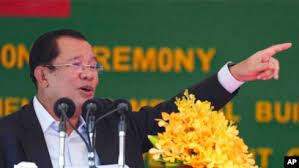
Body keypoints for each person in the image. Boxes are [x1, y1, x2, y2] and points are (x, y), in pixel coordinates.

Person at [0, 29, 291, 168]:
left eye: (94, 65)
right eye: (77, 65)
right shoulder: (7, 135)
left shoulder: (115, 119)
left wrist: (237, 74)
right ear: (43, 75)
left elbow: (179, 115)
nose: (90, 74)